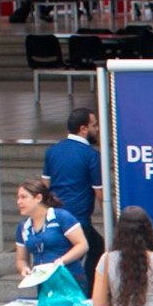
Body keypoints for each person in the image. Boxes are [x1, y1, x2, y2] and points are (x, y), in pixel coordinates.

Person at [43, 107, 106, 268]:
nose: (97, 129)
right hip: (79, 218)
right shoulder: (91, 155)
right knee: (80, 256)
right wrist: (110, 216)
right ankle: (88, 289)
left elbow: (45, 185)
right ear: (83, 129)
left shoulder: (53, 151)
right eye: (94, 125)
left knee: (94, 248)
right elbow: (100, 193)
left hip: (57, 215)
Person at [13, 179, 89, 289]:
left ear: (38, 198)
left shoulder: (61, 217)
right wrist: (24, 268)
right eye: (18, 198)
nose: (18, 202)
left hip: (70, 278)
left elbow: (82, 245)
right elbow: (21, 259)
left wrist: (62, 261)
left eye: (23, 197)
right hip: (44, 282)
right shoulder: (23, 227)